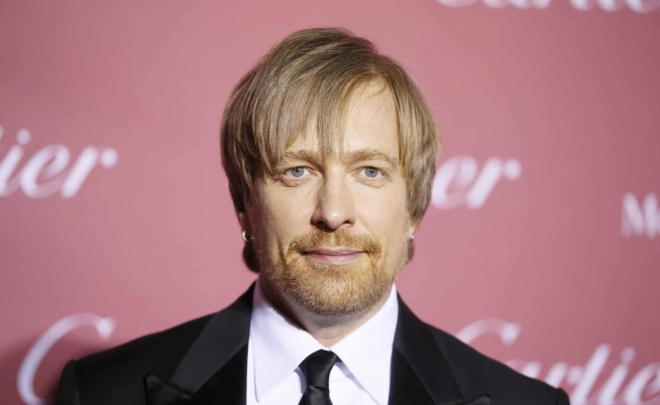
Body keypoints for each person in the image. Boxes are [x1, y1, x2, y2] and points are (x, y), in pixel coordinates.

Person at [55, 27, 569, 405]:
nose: (333, 212)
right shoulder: (102, 393)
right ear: (244, 202)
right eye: (297, 171)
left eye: (370, 171)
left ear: (413, 205)